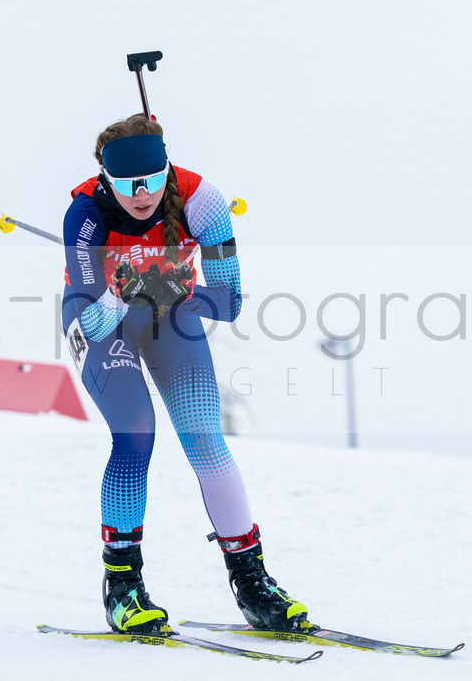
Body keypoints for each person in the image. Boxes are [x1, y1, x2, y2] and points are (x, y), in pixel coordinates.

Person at [60, 114, 313, 635]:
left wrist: (181, 289)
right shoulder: (85, 215)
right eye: (127, 184)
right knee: (136, 433)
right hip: (104, 323)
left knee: (205, 439)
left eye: (152, 181)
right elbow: (91, 321)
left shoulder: (204, 203)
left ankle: (252, 582)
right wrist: (122, 291)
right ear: (105, 177)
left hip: (170, 316)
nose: (141, 195)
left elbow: (229, 302)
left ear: (167, 169)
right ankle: (123, 588)